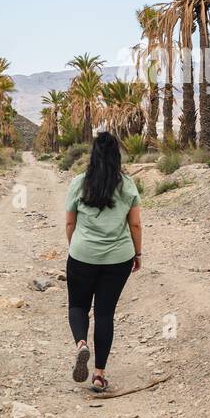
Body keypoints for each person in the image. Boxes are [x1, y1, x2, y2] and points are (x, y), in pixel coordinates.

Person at [64, 131, 142, 392]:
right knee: (105, 313)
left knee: (78, 305)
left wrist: (75, 247)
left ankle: (81, 345)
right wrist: (138, 254)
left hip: (82, 255)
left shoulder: (79, 183)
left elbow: (69, 222)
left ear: (92, 155)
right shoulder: (127, 184)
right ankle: (98, 375)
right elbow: (135, 224)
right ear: (116, 156)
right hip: (118, 258)